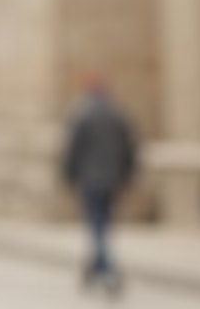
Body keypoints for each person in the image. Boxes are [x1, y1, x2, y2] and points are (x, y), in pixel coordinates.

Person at [62, 76, 136, 297]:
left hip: (90, 178)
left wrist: (68, 175)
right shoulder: (118, 115)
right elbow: (129, 148)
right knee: (103, 221)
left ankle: (106, 268)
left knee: (97, 223)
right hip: (112, 178)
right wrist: (128, 175)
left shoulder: (82, 115)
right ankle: (96, 266)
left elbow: (73, 148)